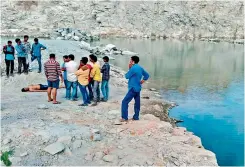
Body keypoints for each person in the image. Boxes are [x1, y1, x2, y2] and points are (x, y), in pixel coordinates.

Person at [121, 56, 150, 122]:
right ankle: (136, 117)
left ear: (133, 61)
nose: (130, 61)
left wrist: (129, 68)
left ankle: (124, 118)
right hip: (138, 87)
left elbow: (126, 76)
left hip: (132, 88)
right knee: (137, 103)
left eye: (130, 60)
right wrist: (143, 80)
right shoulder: (140, 67)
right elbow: (147, 75)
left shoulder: (133, 68)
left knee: (124, 102)